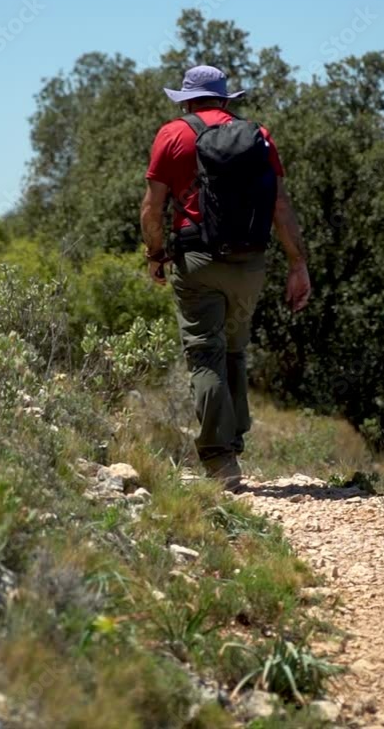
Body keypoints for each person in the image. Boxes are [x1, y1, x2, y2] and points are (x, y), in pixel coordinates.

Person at [140, 65, 310, 491]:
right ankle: (234, 439)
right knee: (234, 349)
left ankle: (221, 461)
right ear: (225, 99)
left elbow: (152, 208)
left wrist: (156, 255)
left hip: (198, 260)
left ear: (186, 100)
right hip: (249, 263)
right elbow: (281, 206)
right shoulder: (259, 136)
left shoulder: (172, 135)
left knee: (205, 354)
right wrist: (297, 264)